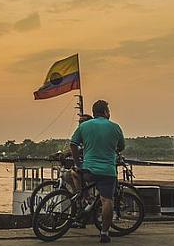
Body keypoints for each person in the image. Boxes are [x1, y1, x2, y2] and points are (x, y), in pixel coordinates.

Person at [70, 100, 125, 244]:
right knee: (107, 200)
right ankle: (104, 233)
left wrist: (78, 162)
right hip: (108, 171)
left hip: (88, 170)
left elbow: (73, 144)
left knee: (75, 173)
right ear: (106, 112)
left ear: (94, 112)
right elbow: (121, 147)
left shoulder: (84, 126)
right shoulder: (115, 127)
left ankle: (85, 197)